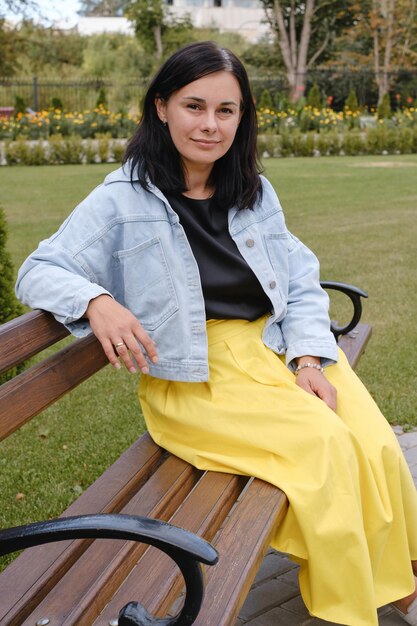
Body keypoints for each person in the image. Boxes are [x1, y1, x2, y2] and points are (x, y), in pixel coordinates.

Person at [15, 41, 417, 626]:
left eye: (225, 111)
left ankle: (402, 575)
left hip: (278, 350)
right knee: (325, 450)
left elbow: (300, 280)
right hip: (199, 375)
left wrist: (309, 360)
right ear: (162, 108)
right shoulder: (122, 199)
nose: (209, 124)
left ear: (242, 117)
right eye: (194, 106)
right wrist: (97, 300)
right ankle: (360, 602)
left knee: (376, 443)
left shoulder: (252, 190)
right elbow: (38, 270)